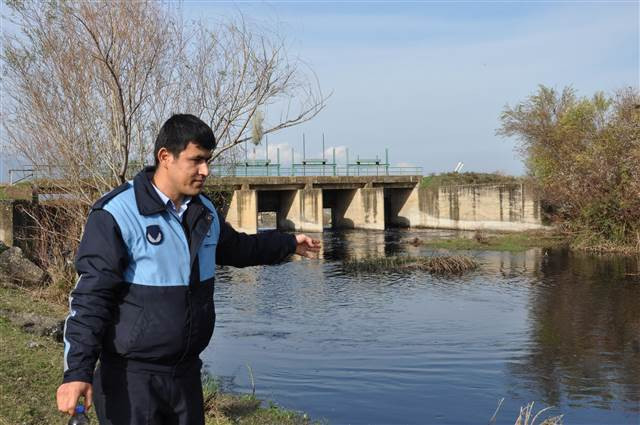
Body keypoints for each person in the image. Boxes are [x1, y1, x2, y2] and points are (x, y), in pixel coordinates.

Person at [56, 114, 320, 424]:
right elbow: (91, 298)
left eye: (207, 160)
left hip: (186, 377)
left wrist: (288, 243)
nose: (205, 170)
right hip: (130, 380)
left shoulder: (203, 211)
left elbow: (238, 248)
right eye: (196, 160)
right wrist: (77, 372)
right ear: (165, 157)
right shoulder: (117, 213)